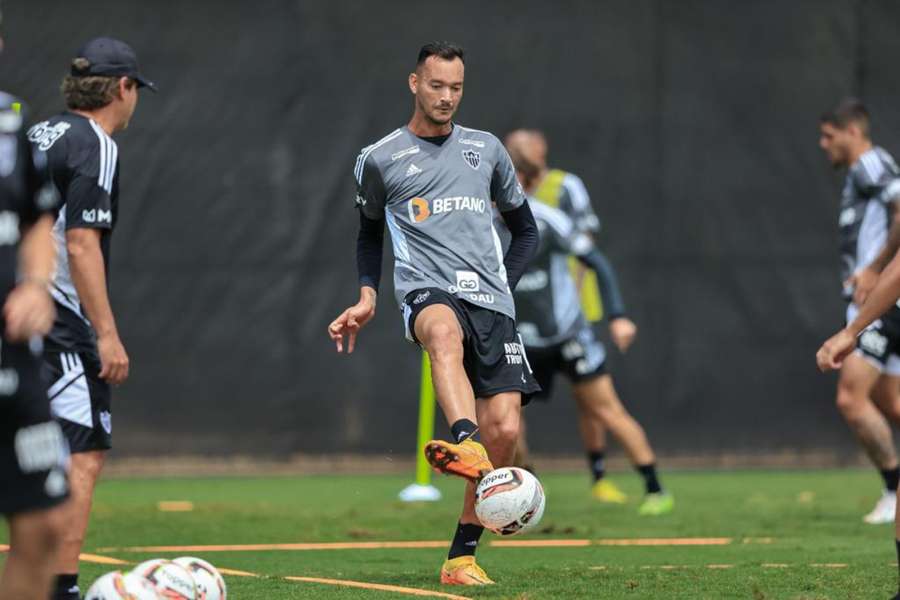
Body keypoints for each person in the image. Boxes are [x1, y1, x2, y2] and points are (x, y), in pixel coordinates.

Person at [328, 42, 540, 586]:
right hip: (427, 290)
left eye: (457, 87)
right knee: (442, 334)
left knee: (507, 429)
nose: (447, 97)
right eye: (437, 85)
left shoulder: (488, 149)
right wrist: (368, 294)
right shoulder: (379, 158)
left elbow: (526, 231)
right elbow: (368, 234)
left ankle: (461, 558)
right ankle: (464, 439)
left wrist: (503, 288)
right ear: (414, 83)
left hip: (492, 302)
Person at [27, 37, 155, 600]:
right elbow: (80, 244)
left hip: (17, 311)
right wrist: (106, 334)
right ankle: (60, 589)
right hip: (56, 321)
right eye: (135, 92)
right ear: (123, 88)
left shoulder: (36, 133)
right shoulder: (95, 143)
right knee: (84, 451)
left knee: (33, 449)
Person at [503, 135, 673, 515]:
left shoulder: (548, 218)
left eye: (511, 174)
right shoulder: (480, 221)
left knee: (606, 409)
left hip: (566, 333)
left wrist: (617, 315)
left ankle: (655, 488)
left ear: (526, 179)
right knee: (507, 416)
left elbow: (597, 261)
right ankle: (522, 488)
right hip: (519, 337)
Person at [0, 67, 69, 600]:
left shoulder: (9, 120)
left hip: (13, 354)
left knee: (45, 525)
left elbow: (39, 219)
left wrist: (35, 285)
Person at [817, 98, 900, 525]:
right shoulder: (859, 174)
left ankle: (893, 488)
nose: (822, 143)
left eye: (828, 135)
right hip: (881, 303)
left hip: (883, 304)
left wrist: (875, 267)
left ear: (852, 132)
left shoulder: (871, 164)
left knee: (851, 397)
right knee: (890, 401)